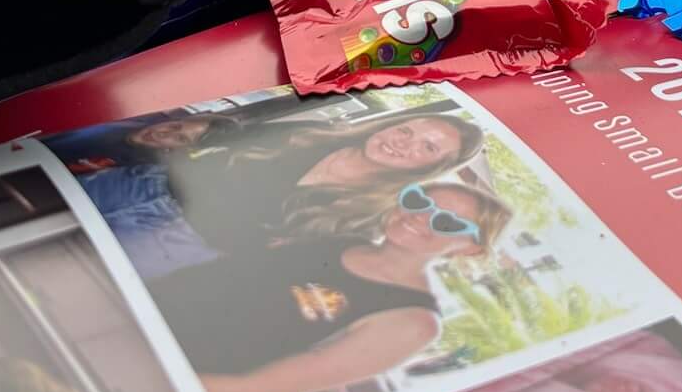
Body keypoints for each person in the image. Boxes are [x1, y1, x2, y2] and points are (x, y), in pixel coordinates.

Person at [144, 180, 511, 392]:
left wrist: (150, 388)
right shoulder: (345, 240)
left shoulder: (413, 321)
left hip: (162, 368)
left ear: (469, 249)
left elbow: (248, 391)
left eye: (446, 222)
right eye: (419, 201)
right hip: (135, 309)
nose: (421, 218)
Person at [54, 106, 488, 280]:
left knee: (64, 274)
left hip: (178, 243)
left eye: (427, 148)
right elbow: (233, 138)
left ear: (432, 167)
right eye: (406, 128)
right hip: (146, 185)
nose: (404, 142)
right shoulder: (317, 131)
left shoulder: (375, 214)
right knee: (32, 211)